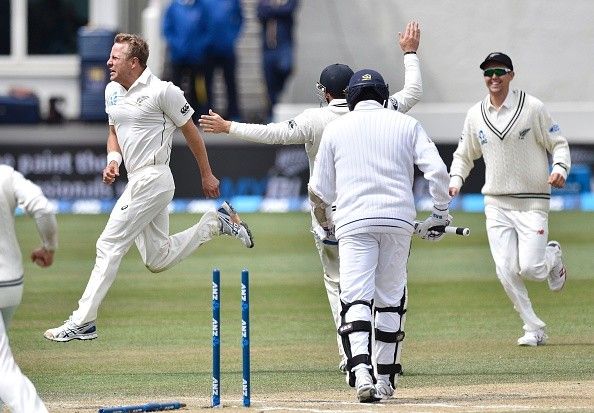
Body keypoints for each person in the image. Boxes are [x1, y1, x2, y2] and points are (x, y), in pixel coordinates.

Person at [200, 21, 423, 375]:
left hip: (332, 216)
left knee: (342, 288)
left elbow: (270, 134)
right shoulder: (384, 110)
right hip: (379, 208)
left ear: (324, 91)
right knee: (387, 288)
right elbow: (413, 91)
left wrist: (230, 127)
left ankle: (351, 355)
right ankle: (383, 359)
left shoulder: (315, 119)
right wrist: (410, 53)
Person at [44, 33, 254, 342]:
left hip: (154, 178)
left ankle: (83, 321)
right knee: (157, 257)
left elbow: (192, 133)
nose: (108, 62)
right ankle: (215, 223)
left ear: (133, 62)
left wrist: (207, 175)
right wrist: (114, 159)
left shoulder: (163, 91)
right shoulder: (112, 90)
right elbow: (114, 131)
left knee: (108, 244)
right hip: (136, 178)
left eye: (115, 58)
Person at [309, 69, 451, 402]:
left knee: (355, 297)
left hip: (353, 222)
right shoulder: (406, 124)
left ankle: (361, 375)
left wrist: (325, 221)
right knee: (389, 298)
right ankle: (385, 380)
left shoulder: (336, 128)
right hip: (399, 220)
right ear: (384, 95)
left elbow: (318, 192)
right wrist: (440, 215)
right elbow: (439, 171)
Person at [448, 52, 570, 347]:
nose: (494, 78)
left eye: (500, 72)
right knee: (504, 269)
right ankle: (533, 328)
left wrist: (560, 167)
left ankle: (553, 256)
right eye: (488, 73)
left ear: (511, 75)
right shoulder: (475, 114)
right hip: (497, 203)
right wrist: (455, 179)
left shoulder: (532, 107)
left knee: (531, 268)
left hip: (532, 202)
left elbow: (558, 143)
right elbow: (465, 154)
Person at [0, 164, 57, 412]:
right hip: (11, 283)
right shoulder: (5, 175)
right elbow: (42, 208)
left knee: (2, 368)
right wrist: (49, 246)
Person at [162, 0, 212, 121]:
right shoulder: (173, 7)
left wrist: (200, 46)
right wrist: (176, 44)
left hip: (197, 57)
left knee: (197, 88)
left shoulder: (202, 7)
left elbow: (208, 29)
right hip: (178, 56)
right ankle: (176, 116)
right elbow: (167, 30)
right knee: (176, 87)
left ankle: (196, 117)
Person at [257, 0, 299, 121]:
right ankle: (272, 111)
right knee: (269, 80)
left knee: (286, 67)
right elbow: (261, 12)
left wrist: (272, 10)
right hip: (268, 46)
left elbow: (289, 9)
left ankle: (279, 93)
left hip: (284, 44)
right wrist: (277, 10)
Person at [203, 0, 243, 121]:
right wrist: (204, 39)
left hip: (227, 49)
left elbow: (240, 19)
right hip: (208, 49)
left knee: (230, 82)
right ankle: (207, 113)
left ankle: (233, 113)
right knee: (207, 83)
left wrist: (233, 36)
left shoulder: (233, 1)